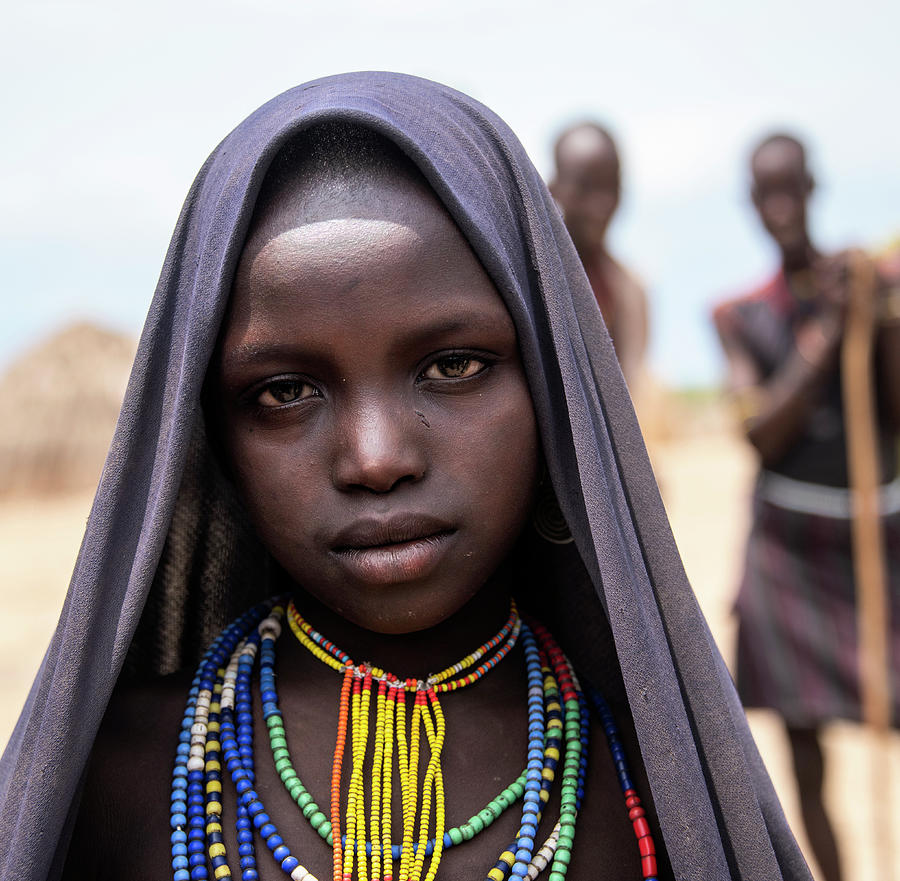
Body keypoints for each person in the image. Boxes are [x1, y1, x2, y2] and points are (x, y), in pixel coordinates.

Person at [0, 74, 812, 881]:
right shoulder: (119, 782)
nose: (378, 458)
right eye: (285, 391)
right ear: (210, 436)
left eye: (453, 365)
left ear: (553, 393)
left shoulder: (662, 785)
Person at [713, 132, 900, 881]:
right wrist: (824, 334)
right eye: (768, 193)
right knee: (803, 749)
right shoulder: (740, 315)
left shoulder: (871, 289)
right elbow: (760, 432)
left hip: (875, 532)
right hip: (785, 544)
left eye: (793, 188)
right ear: (753, 205)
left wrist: (880, 322)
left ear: (815, 187)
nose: (783, 207)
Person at [549, 123, 648, 388]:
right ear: (552, 188)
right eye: (586, 188)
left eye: (611, 187)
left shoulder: (628, 291)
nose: (601, 204)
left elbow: (629, 390)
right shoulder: (531, 276)